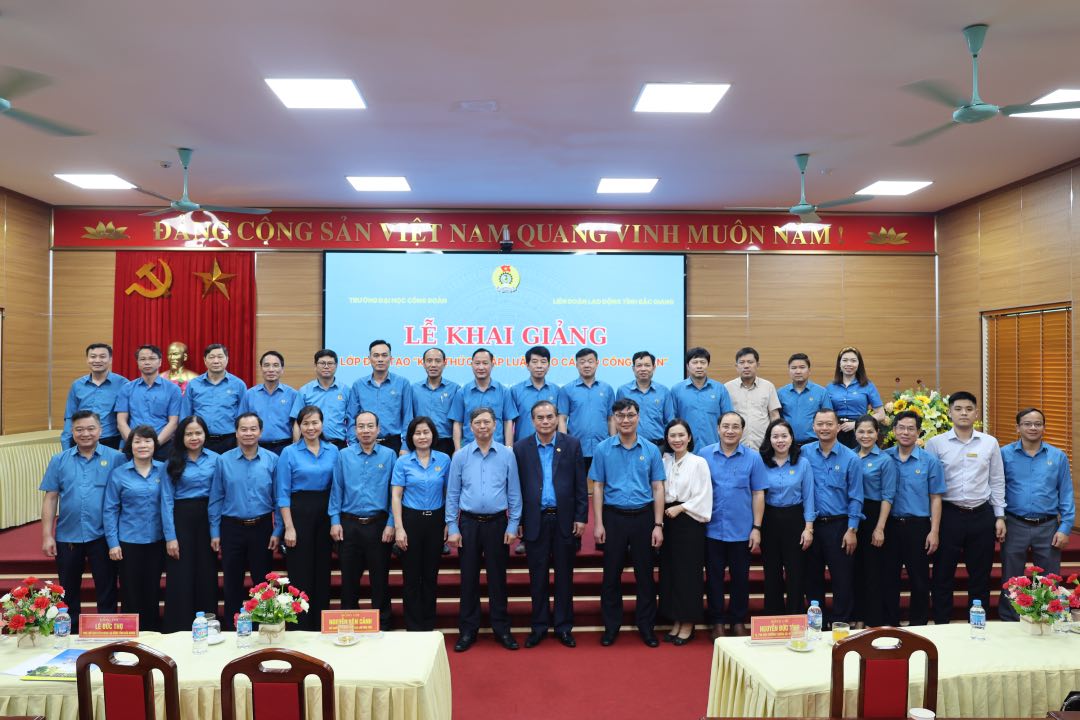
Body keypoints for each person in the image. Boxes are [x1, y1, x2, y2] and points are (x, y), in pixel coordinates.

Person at [925, 391, 1005, 624]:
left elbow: (997, 480)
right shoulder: (935, 443)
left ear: (976, 413)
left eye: (968, 409)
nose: (963, 413)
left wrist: (999, 516)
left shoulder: (989, 443)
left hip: (981, 515)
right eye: (958, 409)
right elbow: (929, 485)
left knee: (980, 575)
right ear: (949, 412)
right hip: (949, 515)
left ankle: (977, 624)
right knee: (942, 574)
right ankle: (941, 624)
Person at [40, 410, 125, 629]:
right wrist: (47, 535)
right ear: (72, 431)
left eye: (90, 428)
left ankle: (107, 632)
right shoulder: (59, 460)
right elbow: (50, 498)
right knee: (68, 590)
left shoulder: (116, 458)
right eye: (79, 429)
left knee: (107, 588)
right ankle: (70, 632)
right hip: (68, 534)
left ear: (100, 430)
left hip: (103, 535)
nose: (85, 433)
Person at [446, 407, 522, 652]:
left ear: (495, 425)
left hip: (498, 523)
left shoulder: (507, 455)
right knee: (468, 579)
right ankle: (468, 630)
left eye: (487, 422)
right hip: (468, 524)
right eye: (477, 423)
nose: (482, 427)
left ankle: (502, 629)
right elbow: (453, 493)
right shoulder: (461, 456)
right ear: (470, 427)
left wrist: (513, 523)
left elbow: (514, 492)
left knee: (497, 579)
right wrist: (452, 526)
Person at [591, 398, 666, 647]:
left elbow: (657, 487)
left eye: (630, 415)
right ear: (613, 419)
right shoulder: (603, 449)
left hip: (644, 517)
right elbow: (598, 487)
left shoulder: (651, 449)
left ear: (638, 417)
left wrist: (658, 525)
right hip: (614, 518)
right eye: (620, 416)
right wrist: (599, 524)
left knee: (645, 575)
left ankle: (646, 627)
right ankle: (611, 627)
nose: (625, 420)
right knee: (611, 576)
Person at [513, 400, 587, 648]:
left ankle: (564, 627)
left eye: (549, 417)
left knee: (565, 577)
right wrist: (519, 520)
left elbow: (580, 484)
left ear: (557, 418)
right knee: (538, 578)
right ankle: (539, 626)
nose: (545, 422)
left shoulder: (572, 445)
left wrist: (580, 516)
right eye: (540, 418)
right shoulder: (520, 448)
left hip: (565, 520)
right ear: (532, 421)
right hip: (535, 520)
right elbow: (517, 489)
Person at [998, 407, 1074, 621]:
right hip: (1015, 523)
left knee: (1049, 579)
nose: (1033, 427)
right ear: (1018, 428)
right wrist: (1000, 518)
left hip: (1048, 526)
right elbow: (997, 488)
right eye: (1027, 424)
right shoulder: (1004, 454)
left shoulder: (1057, 456)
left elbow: (1066, 493)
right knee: (1011, 578)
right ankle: (1010, 621)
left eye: (1037, 424)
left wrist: (1066, 527)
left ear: (1044, 427)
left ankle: (1047, 619)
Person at [209, 413, 282, 630]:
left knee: (262, 582)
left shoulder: (272, 460)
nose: (248, 433)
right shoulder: (223, 460)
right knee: (232, 581)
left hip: (262, 527)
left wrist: (277, 530)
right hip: (232, 528)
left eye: (253, 429)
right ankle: (233, 628)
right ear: (236, 432)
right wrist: (215, 532)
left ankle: (264, 627)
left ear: (260, 431)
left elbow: (279, 498)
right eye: (243, 429)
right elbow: (216, 498)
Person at [701, 411, 767, 637]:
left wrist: (757, 528)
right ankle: (717, 620)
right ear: (718, 428)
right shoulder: (704, 455)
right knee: (714, 578)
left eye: (735, 427)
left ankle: (738, 619)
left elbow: (758, 493)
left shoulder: (753, 458)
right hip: (711, 529)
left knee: (741, 578)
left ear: (742, 430)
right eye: (726, 426)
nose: (730, 431)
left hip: (742, 530)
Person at [330, 411, 396, 630]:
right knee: (349, 581)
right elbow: (336, 489)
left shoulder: (389, 455)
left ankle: (384, 625)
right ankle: (348, 626)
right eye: (361, 426)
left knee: (380, 580)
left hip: (379, 525)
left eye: (370, 426)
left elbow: (394, 493)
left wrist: (391, 524)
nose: (365, 431)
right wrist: (335, 520)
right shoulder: (343, 455)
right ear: (354, 429)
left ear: (378, 429)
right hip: (349, 525)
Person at [276, 405, 339, 631]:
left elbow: (337, 489)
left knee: (322, 571)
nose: (311, 428)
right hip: (299, 513)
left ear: (322, 424)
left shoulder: (333, 451)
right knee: (300, 572)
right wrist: (289, 527)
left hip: (325, 512)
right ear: (299, 426)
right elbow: (282, 493)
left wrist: (334, 520)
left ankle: (320, 625)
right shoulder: (289, 452)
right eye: (306, 423)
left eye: (315, 423)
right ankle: (299, 626)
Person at [882, 410, 944, 627]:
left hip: (918, 527)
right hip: (889, 526)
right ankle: (891, 623)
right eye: (901, 428)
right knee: (888, 579)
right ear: (894, 430)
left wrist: (934, 531)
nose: (905, 432)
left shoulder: (930, 461)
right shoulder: (884, 457)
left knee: (919, 580)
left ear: (918, 432)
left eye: (911, 428)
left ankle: (918, 624)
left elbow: (935, 498)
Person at [803, 408, 864, 626]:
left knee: (842, 578)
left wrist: (852, 529)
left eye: (829, 424)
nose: (824, 428)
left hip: (840, 525)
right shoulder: (804, 453)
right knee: (812, 578)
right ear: (813, 427)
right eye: (820, 424)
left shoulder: (851, 458)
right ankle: (816, 622)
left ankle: (840, 623)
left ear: (838, 427)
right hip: (811, 525)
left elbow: (856, 496)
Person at [160, 415, 220, 633]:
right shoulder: (172, 461)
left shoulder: (216, 460)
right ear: (181, 437)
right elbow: (166, 501)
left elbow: (217, 497)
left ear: (205, 435)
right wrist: (170, 537)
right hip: (181, 519)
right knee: (180, 575)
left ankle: (208, 626)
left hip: (207, 518)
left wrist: (215, 531)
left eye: (198, 433)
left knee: (207, 573)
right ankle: (179, 627)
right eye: (189, 433)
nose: (194, 437)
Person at [103, 425, 166, 631]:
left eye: (147, 441)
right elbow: (110, 509)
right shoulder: (119, 474)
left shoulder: (164, 470)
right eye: (137, 441)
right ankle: (131, 633)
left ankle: (153, 631)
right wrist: (113, 543)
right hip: (128, 541)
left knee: (153, 589)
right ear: (130, 445)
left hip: (157, 540)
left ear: (154, 445)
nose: (143, 445)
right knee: (130, 590)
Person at [392, 416, 451, 631]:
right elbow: (396, 496)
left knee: (430, 575)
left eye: (426, 432)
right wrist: (399, 527)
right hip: (411, 520)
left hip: (435, 521)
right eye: (417, 433)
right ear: (411, 437)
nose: (422, 436)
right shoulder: (403, 462)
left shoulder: (444, 460)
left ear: (433, 435)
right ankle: (413, 625)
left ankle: (428, 624)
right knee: (411, 576)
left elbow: (449, 493)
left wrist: (448, 521)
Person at [658, 419, 711, 645]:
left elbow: (704, 494)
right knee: (671, 573)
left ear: (689, 437)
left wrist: (681, 507)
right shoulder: (665, 461)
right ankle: (676, 620)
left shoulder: (698, 462)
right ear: (667, 439)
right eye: (672, 436)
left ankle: (688, 623)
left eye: (681, 435)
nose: (677, 440)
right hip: (668, 521)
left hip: (689, 521)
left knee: (688, 574)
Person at [758, 418, 815, 615]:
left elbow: (809, 497)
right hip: (769, 520)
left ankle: (795, 617)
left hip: (795, 519)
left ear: (791, 438)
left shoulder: (803, 462)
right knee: (771, 572)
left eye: (784, 436)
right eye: (775, 436)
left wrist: (809, 528)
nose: (780, 440)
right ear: (769, 439)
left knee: (795, 572)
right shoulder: (761, 462)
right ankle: (773, 618)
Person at [851, 415, 897, 628]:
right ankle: (858, 617)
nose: (865, 436)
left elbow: (888, 496)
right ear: (855, 433)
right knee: (855, 570)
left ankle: (873, 620)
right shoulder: (849, 456)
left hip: (874, 516)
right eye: (861, 431)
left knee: (873, 572)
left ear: (877, 433)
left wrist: (880, 528)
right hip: (853, 515)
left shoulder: (885, 460)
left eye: (870, 431)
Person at [115, 344, 182, 460]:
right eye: (142, 359)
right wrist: (134, 443)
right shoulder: (127, 388)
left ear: (160, 362)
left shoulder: (173, 389)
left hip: (163, 446)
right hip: (133, 446)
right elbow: (121, 421)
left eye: (152, 358)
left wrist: (155, 444)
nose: (147, 362)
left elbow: (173, 422)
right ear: (137, 362)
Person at [346, 340, 413, 454]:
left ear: (391, 359)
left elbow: (408, 417)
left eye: (384, 355)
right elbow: (352, 417)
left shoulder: (402, 383)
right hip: (364, 443)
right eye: (376, 355)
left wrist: (405, 446)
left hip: (393, 444)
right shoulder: (359, 385)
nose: (380, 359)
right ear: (369, 359)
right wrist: (353, 444)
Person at [182, 344, 247, 454]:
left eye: (220, 357)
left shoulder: (238, 385)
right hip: (200, 441)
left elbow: (243, 418)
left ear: (227, 359)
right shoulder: (193, 385)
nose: (216, 361)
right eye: (211, 357)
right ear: (205, 360)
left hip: (229, 441)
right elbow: (185, 416)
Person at [60, 343, 127, 450]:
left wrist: (122, 447)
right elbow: (69, 417)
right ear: (87, 360)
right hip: (81, 440)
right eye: (93, 356)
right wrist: (66, 447)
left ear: (110, 360)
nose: (97, 360)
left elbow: (127, 418)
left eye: (102, 356)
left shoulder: (123, 384)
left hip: (110, 441)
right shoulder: (77, 385)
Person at [451, 348, 518, 450]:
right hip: (469, 449)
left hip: (497, 449)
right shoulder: (462, 393)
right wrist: (457, 450)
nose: (481, 367)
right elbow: (457, 423)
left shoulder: (504, 392)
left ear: (492, 364)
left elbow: (508, 421)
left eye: (485, 363)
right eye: (477, 363)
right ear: (472, 365)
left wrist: (509, 448)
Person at [558, 347, 615, 468]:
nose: (587, 365)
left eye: (590, 361)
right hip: (576, 447)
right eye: (582, 362)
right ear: (576, 365)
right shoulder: (567, 390)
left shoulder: (607, 389)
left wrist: (614, 442)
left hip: (603, 447)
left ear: (597, 363)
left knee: (603, 485)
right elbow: (562, 419)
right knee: (577, 485)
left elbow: (611, 419)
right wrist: (564, 443)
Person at [671, 347, 733, 451]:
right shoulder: (676, 390)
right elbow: (672, 420)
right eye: (695, 362)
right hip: (685, 449)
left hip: (714, 449)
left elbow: (728, 418)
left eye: (702, 362)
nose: (699, 366)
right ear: (687, 366)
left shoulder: (720, 389)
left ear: (707, 365)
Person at [239, 350, 298, 455]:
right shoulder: (250, 394)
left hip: (284, 447)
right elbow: (240, 424)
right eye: (266, 365)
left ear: (282, 369)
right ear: (261, 368)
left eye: (275, 365)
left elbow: (297, 425)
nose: (271, 369)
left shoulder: (293, 394)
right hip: (256, 447)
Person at [825, 347, 885, 448]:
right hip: (836, 431)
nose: (849, 364)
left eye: (853, 361)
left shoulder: (868, 385)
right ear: (839, 364)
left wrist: (856, 424)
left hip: (860, 431)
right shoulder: (830, 387)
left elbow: (881, 414)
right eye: (845, 360)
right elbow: (826, 413)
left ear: (858, 364)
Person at [724, 347, 781, 451]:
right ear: (736, 366)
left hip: (763, 445)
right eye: (742, 362)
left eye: (750, 362)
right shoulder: (727, 388)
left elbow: (774, 415)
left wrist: (776, 438)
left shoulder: (768, 386)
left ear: (757, 365)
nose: (746, 366)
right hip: (736, 446)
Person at [292, 349, 351, 449]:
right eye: (322, 363)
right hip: (311, 444)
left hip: (339, 445)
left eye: (330, 363)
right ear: (315, 366)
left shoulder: (346, 390)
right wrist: (297, 448)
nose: (326, 366)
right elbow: (297, 423)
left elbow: (351, 420)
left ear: (336, 366)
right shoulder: (305, 391)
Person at [616, 350, 675, 446]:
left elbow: (670, 421)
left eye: (647, 365)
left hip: (658, 446)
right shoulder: (623, 391)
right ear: (633, 369)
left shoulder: (663, 391)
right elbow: (617, 419)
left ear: (654, 368)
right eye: (639, 365)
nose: (643, 369)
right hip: (629, 445)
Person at [411, 347, 460, 457]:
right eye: (429, 361)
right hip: (420, 441)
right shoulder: (414, 389)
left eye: (437, 361)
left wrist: (457, 448)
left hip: (445, 442)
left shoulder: (455, 389)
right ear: (423, 364)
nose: (433, 365)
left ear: (444, 363)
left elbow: (458, 421)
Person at [777, 353, 833, 447]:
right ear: (789, 371)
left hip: (814, 444)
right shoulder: (780, 393)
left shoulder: (821, 392)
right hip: (788, 445)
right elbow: (777, 419)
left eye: (802, 367)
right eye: (793, 368)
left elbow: (828, 418)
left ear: (809, 370)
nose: (798, 371)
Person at [511, 346, 560, 443]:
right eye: (534, 362)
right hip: (523, 446)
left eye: (543, 362)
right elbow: (509, 422)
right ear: (527, 365)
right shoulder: (515, 391)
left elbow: (560, 420)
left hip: (551, 446)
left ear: (549, 365)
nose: (539, 366)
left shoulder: (557, 391)